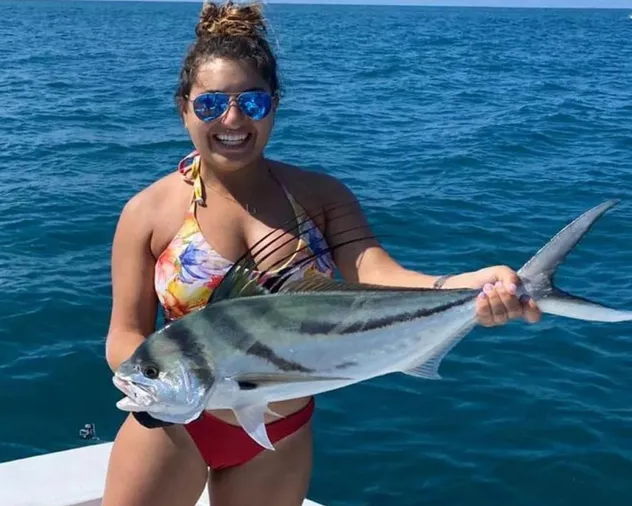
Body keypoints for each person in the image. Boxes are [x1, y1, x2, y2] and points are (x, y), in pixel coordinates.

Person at [102, 2, 542, 505]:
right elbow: (125, 332)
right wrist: (153, 385)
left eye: (253, 102)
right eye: (210, 105)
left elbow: (378, 274)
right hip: (173, 429)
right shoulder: (147, 213)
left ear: (274, 105)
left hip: (280, 433)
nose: (232, 119)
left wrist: (464, 288)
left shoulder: (320, 196)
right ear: (183, 107)